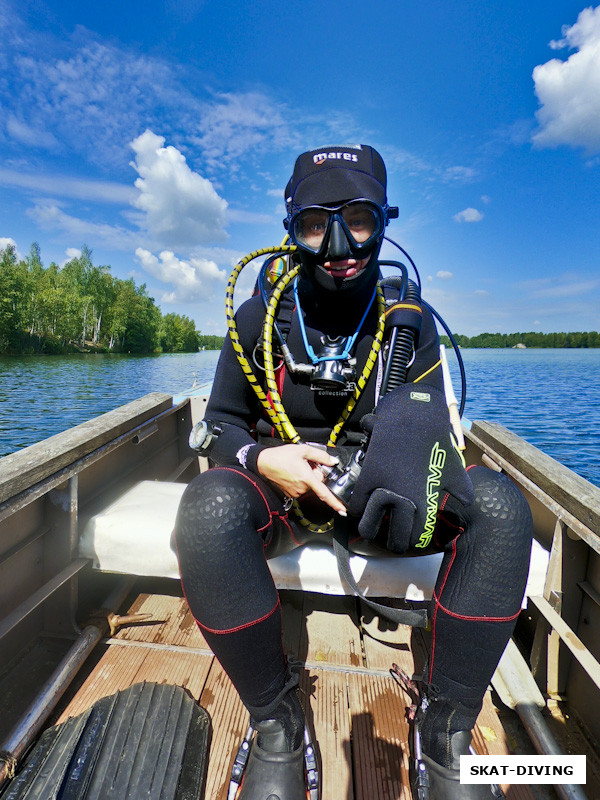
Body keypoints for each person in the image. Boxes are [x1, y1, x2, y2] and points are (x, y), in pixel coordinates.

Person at [174, 145, 533, 800]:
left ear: (384, 220)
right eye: (316, 224)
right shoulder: (258, 318)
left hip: (379, 505)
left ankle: (447, 733)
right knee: (207, 507)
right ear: (292, 229)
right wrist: (261, 458)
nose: (339, 244)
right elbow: (218, 427)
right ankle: (276, 725)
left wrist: (410, 469)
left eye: (359, 219)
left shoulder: (407, 323)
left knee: (503, 506)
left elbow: (433, 434)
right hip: (284, 495)